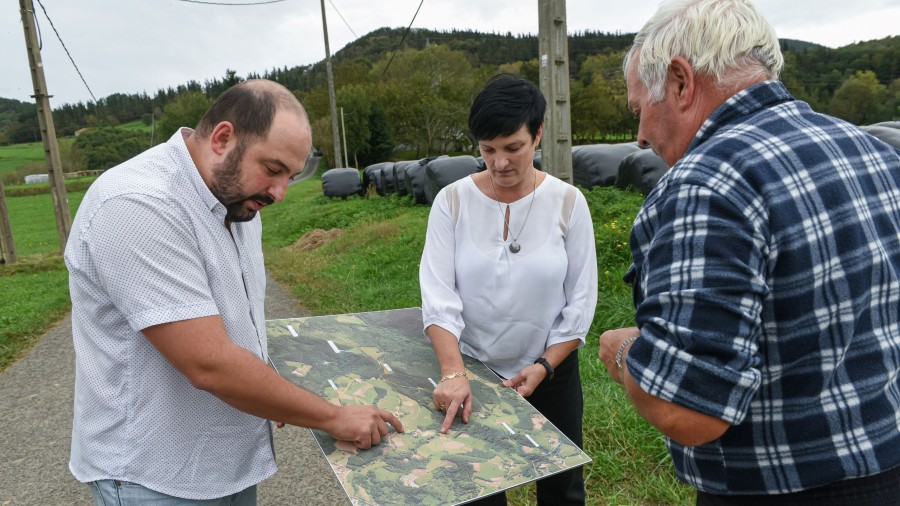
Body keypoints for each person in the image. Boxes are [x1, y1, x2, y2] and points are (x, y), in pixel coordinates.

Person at [597, 1, 900, 504]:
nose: (641, 136)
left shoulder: (705, 184)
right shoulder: (875, 153)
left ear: (679, 82)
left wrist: (625, 350)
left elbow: (689, 411)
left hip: (781, 489)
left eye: (639, 110)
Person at [64, 79, 402, 505]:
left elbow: (236, 321)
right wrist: (333, 417)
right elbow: (210, 363)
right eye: (274, 169)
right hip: (154, 476)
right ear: (223, 138)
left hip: (225, 461)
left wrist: (274, 393)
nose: (279, 193)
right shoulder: (139, 205)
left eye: (291, 177)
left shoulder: (235, 199)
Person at [419, 74, 598, 505]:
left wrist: (545, 364)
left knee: (561, 486)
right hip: (473, 370)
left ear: (537, 135)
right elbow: (438, 296)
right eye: (488, 150)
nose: (499, 163)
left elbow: (581, 300)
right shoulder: (452, 201)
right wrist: (454, 371)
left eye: (513, 147)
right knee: (476, 486)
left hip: (549, 372)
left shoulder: (568, 202)